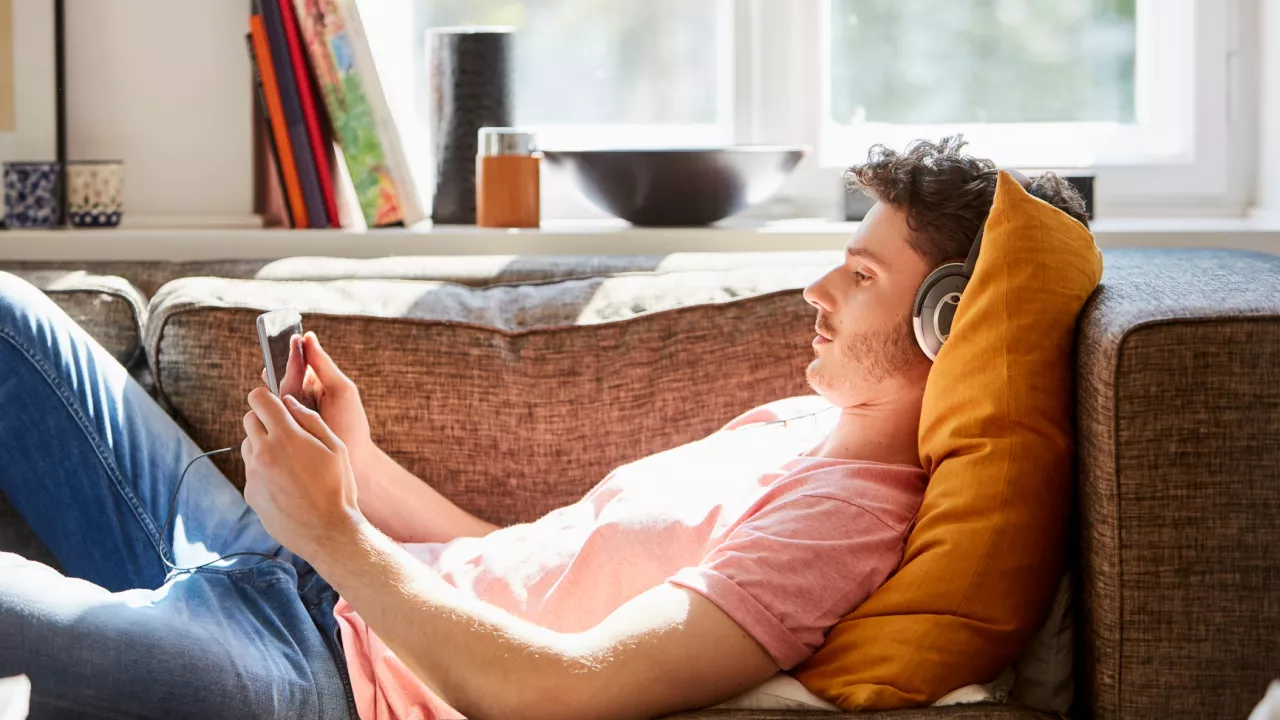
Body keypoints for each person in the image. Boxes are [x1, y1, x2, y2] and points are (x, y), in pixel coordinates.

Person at [0, 137, 1088, 720]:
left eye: (857, 277)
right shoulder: (801, 422)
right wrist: (362, 472)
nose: (814, 289)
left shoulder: (841, 527)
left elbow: (555, 691)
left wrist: (335, 533)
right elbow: (506, 560)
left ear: (954, 317)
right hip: (292, 579)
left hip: (306, 677)